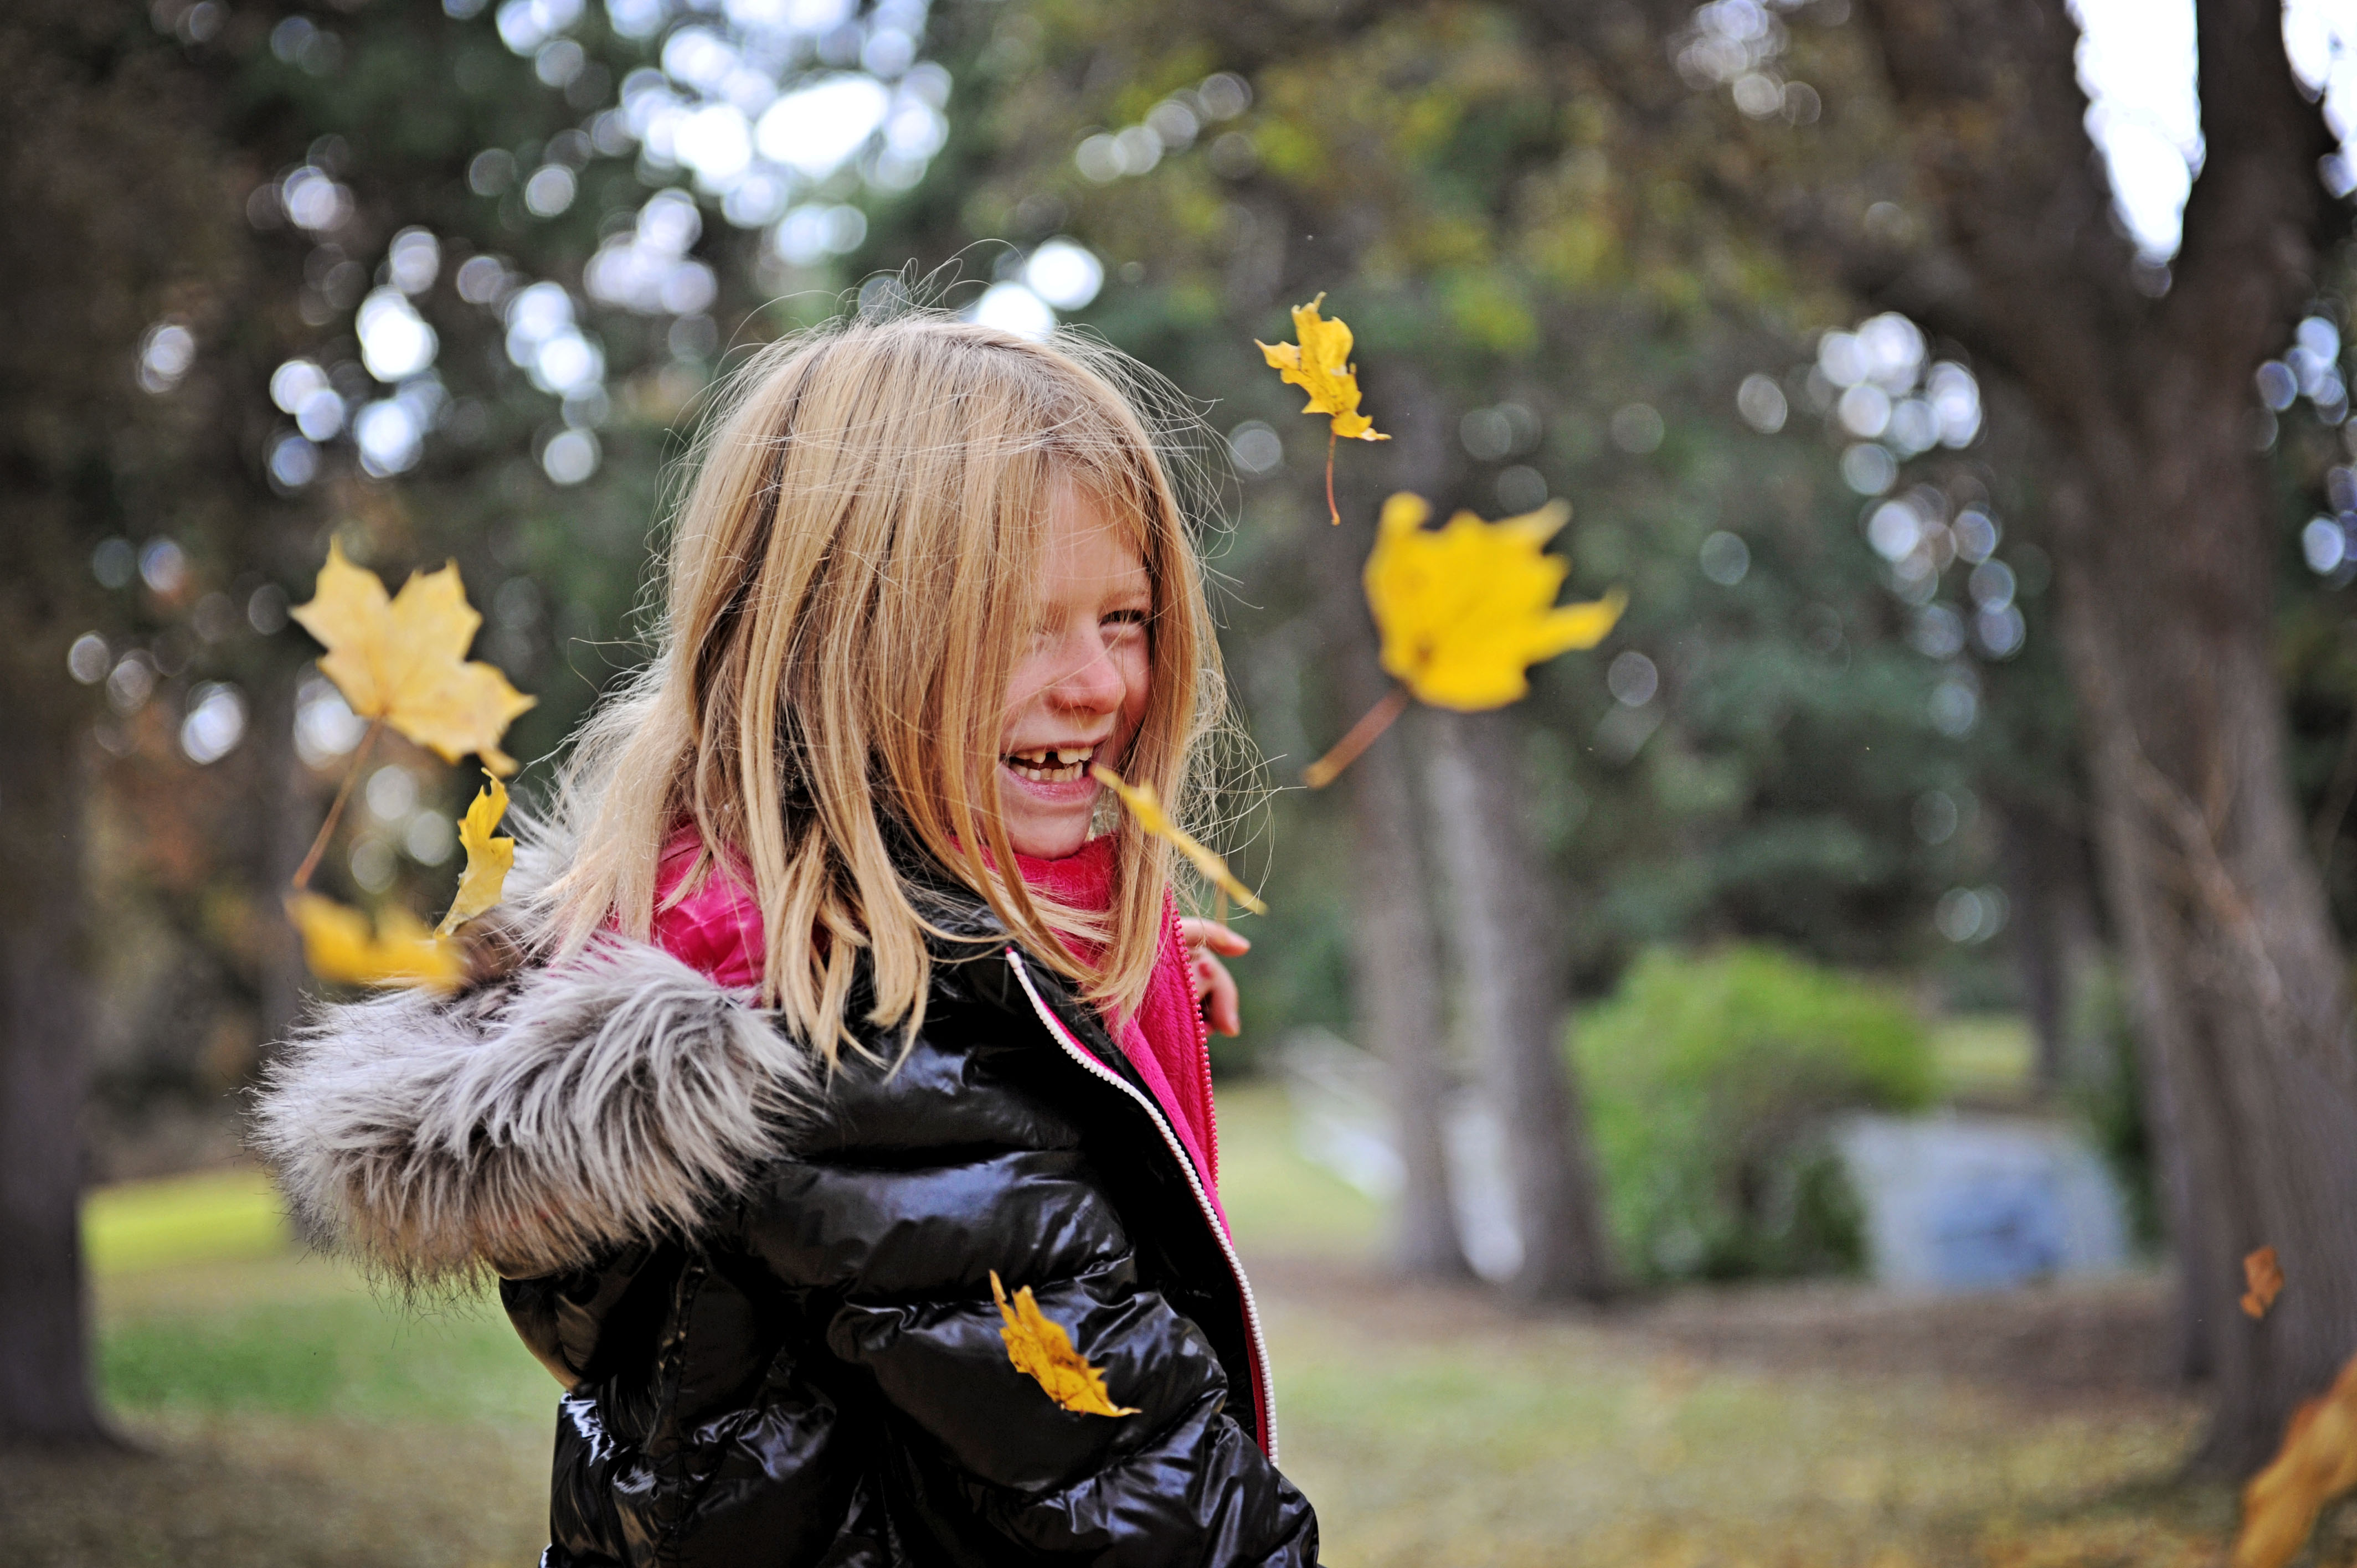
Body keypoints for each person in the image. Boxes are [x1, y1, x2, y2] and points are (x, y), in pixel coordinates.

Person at [252, 314, 1321, 1566]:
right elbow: (1157, 1520)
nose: (1096, 684)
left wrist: (1079, 1009)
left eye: (1124, 618)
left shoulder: (770, 971)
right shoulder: (874, 1067)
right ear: (833, 642)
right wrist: (1013, 1037)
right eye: (1021, 625)